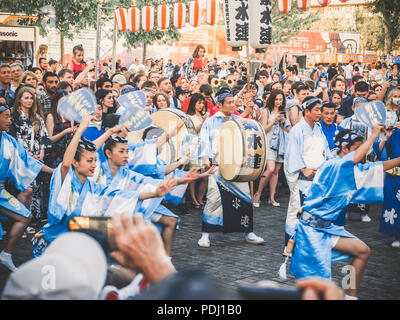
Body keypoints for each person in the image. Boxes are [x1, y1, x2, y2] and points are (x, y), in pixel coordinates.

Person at [32, 114, 178, 257]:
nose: (94, 165)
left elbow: (123, 195)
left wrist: (156, 193)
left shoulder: (94, 187)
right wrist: (81, 130)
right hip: (53, 248)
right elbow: (66, 163)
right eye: (89, 161)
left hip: (76, 250)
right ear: (75, 163)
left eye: (95, 160)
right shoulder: (66, 180)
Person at [290, 124, 400, 299]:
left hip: (326, 228)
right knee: (315, 287)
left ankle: (350, 295)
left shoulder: (348, 168)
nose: (360, 154)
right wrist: (373, 136)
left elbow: (380, 166)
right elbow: (355, 160)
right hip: (311, 232)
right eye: (356, 149)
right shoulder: (332, 165)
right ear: (344, 148)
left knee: (363, 251)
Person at [197, 93, 265, 247]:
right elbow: (203, 142)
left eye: (233, 102)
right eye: (229, 103)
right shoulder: (210, 122)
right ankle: (205, 235)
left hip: (238, 166)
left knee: (245, 198)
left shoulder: (238, 120)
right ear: (219, 105)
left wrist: (248, 110)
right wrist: (206, 160)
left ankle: (249, 232)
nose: (232, 105)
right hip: (218, 165)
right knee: (214, 198)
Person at [0, 103, 54, 271]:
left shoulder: (9, 141)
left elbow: (28, 162)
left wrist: (55, 172)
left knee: (25, 216)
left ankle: (6, 254)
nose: (10, 120)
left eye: (10, 116)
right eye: (6, 116)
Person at [283, 96, 330, 255]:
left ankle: (308, 244)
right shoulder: (297, 129)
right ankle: (289, 245)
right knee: (297, 209)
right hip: (303, 176)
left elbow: (325, 150)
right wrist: (303, 169)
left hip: (317, 175)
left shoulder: (318, 128)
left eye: (320, 109)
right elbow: (293, 152)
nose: (320, 113)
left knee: (313, 210)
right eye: (317, 109)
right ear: (307, 111)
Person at [9, 86, 52, 227]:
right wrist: (30, 154)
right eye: (26, 98)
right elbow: (14, 139)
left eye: (31, 98)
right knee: (25, 190)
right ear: (19, 99)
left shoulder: (37, 117)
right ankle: (20, 221)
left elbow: (44, 137)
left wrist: (41, 153)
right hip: (21, 159)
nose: (29, 100)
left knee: (35, 190)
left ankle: (31, 220)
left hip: (37, 158)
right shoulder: (14, 116)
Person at [254, 90, 290, 208]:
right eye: (276, 99)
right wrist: (274, 120)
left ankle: (272, 197)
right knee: (270, 169)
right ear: (272, 100)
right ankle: (258, 194)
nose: (279, 102)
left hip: (280, 143)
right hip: (269, 143)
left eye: (281, 99)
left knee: (276, 171)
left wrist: (283, 122)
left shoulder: (284, 112)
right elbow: (263, 129)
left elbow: (287, 131)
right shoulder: (266, 111)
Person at [185, 93, 209, 209]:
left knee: (205, 176)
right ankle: (194, 199)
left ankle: (200, 198)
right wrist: (204, 121)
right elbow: (193, 132)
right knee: (194, 175)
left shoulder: (204, 115)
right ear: (193, 103)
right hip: (193, 147)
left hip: (204, 147)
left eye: (202, 102)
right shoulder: (189, 116)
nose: (201, 105)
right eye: (199, 103)